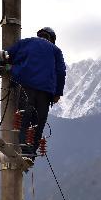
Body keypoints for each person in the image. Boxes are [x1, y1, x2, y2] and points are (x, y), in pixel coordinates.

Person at [6, 26, 66, 156]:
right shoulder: (56, 50)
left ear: (39, 35)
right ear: (52, 39)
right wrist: (58, 93)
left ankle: (25, 150)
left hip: (26, 87)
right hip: (45, 93)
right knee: (38, 123)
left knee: (24, 119)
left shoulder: (25, 43)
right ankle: (30, 154)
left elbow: (6, 55)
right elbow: (61, 72)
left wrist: (11, 68)